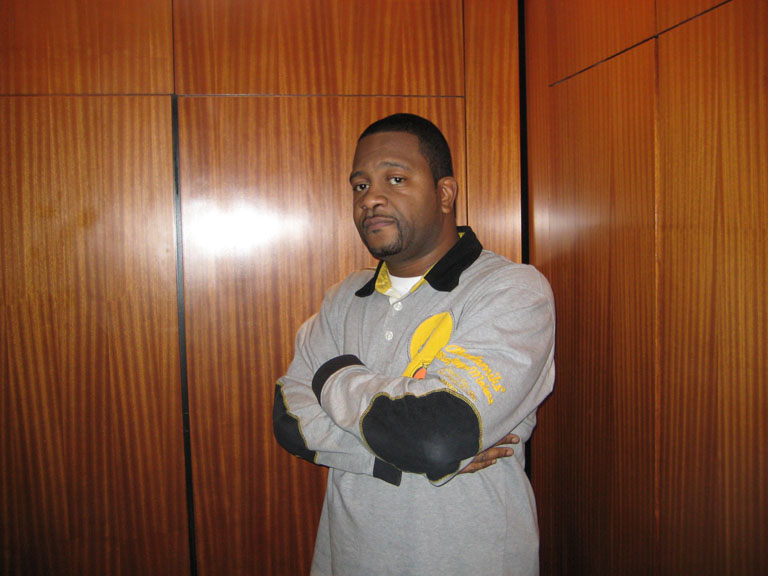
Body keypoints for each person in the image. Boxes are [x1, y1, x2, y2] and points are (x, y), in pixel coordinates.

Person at [273, 113, 555, 575]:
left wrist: (333, 376)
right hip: (348, 562)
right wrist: (396, 452)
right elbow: (290, 421)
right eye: (360, 185)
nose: (371, 199)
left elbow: (438, 434)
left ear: (444, 194)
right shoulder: (343, 298)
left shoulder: (511, 290)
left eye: (396, 179)